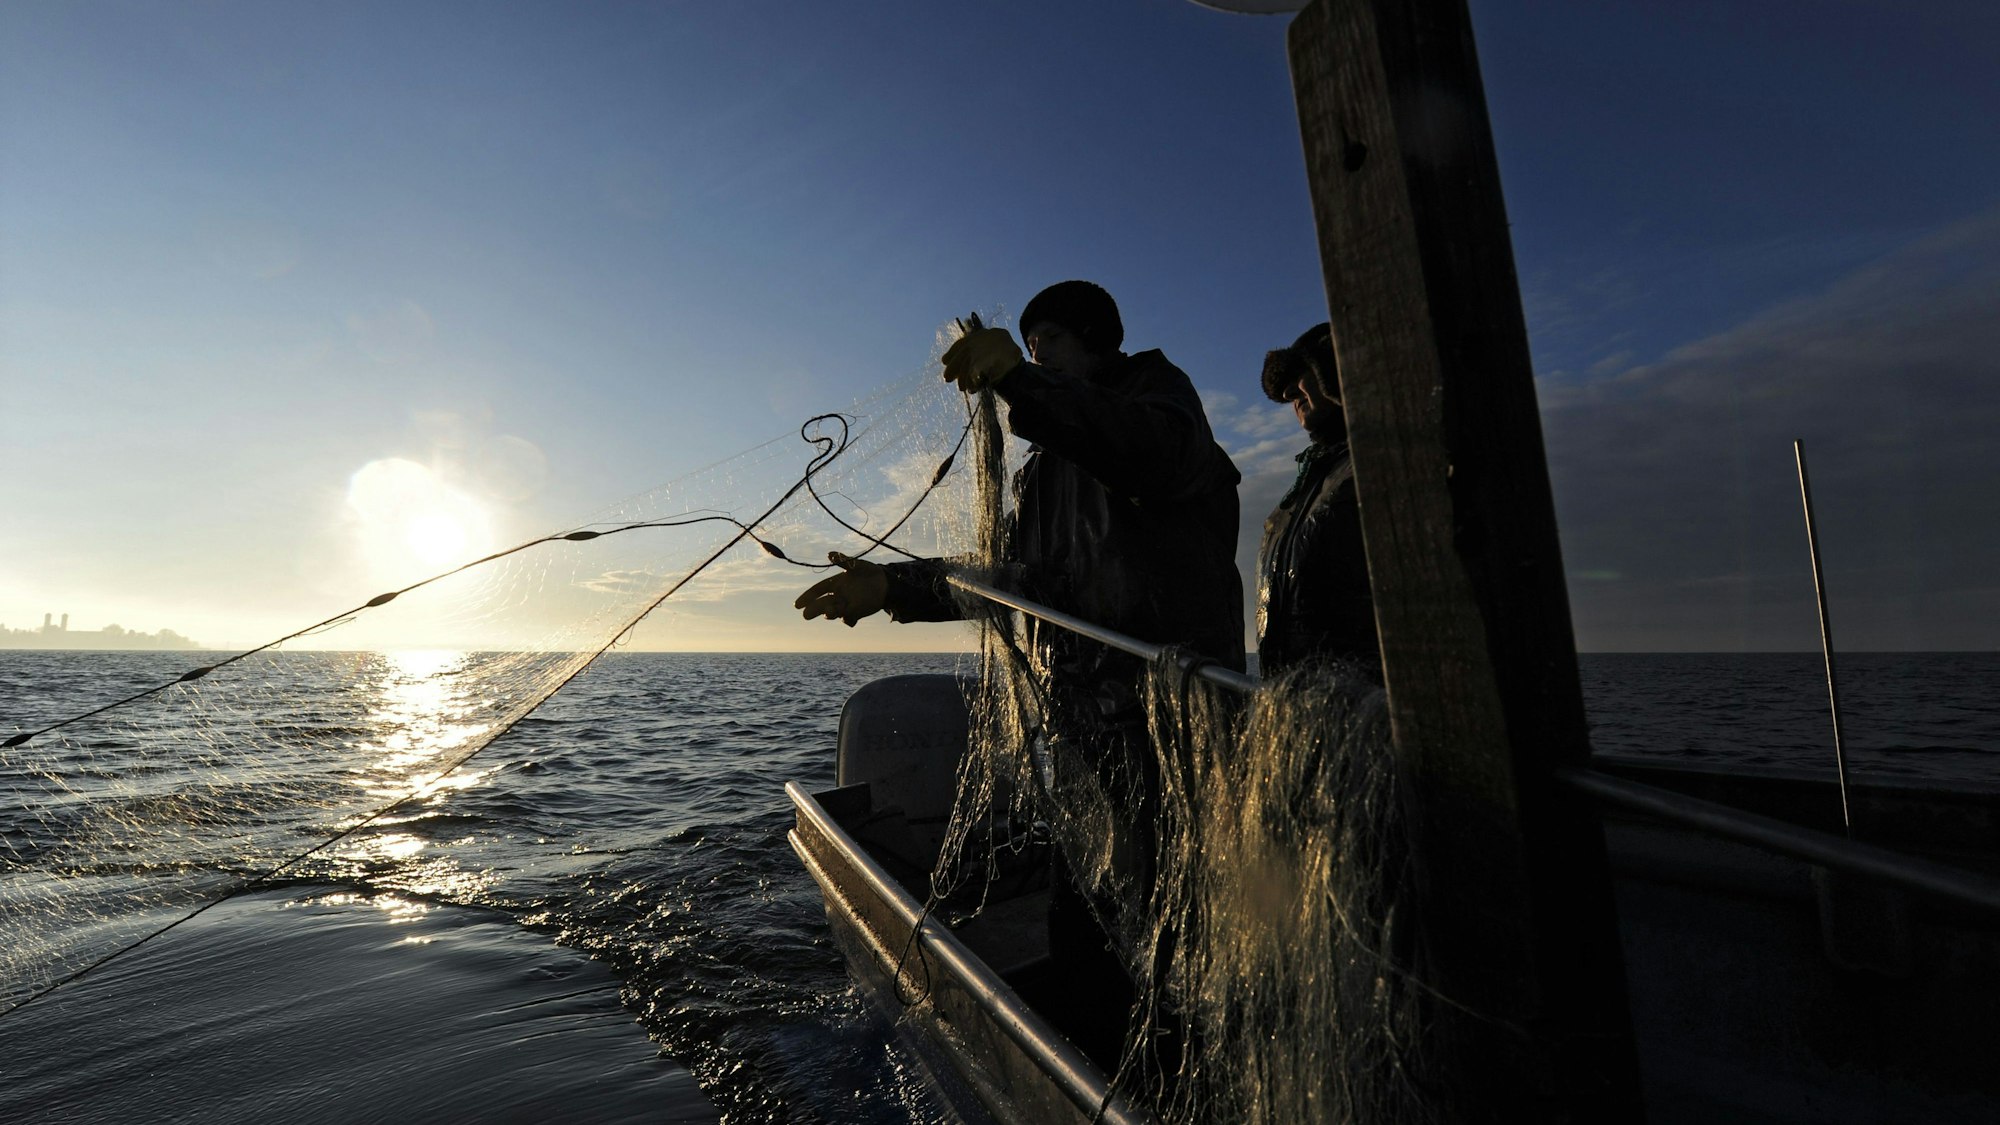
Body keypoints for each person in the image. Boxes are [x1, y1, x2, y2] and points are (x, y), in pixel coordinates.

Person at [796, 280, 1243, 1067]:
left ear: (1096, 339)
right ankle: (1092, 1076)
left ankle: (1178, 1078)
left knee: (1177, 943)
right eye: (1028, 347)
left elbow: (1153, 456)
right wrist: (896, 587)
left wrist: (1023, 383)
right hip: (1083, 739)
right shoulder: (1043, 472)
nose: (1037, 357)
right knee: (1085, 939)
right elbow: (1017, 584)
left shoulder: (1157, 400)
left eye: (1051, 343)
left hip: (1172, 735)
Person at [1255, 322, 1381, 680]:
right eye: (1286, 389)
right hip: (1299, 697)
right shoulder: (1304, 489)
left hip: (1367, 696)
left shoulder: (1382, 462)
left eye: (1302, 376)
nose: (1291, 395)